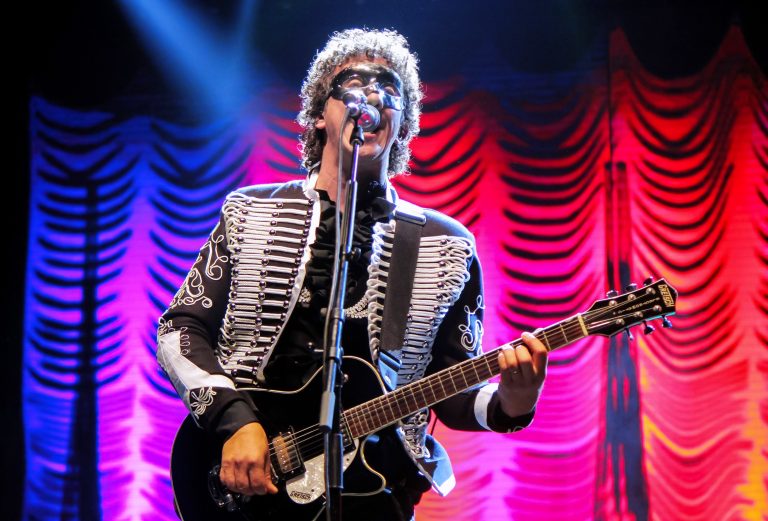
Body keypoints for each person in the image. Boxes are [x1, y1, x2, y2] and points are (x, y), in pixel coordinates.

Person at [156, 28, 548, 520]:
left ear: (402, 123)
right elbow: (180, 330)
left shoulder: (447, 245)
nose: (373, 98)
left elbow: (454, 395)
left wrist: (513, 401)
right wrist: (234, 422)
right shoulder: (250, 212)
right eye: (355, 86)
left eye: (390, 91)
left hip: (377, 493)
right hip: (247, 485)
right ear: (320, 113)